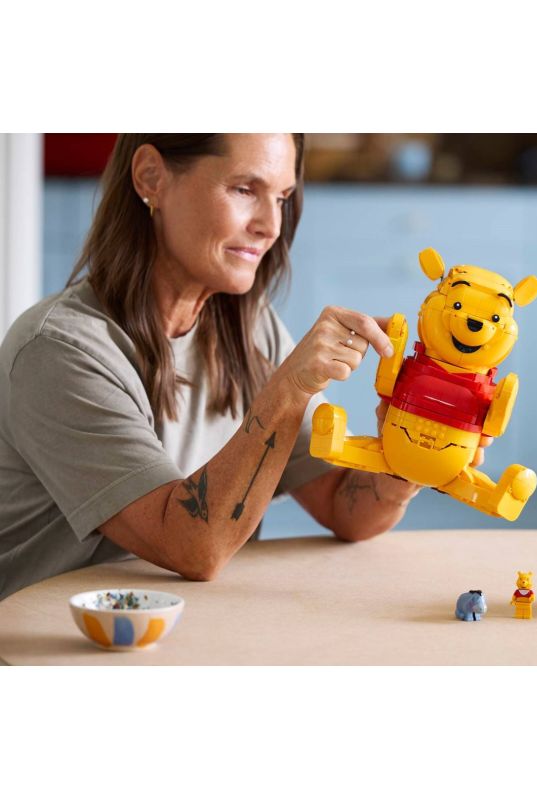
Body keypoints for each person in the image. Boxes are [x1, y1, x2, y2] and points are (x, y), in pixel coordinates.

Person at [0, 133, 490, 601]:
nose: (271, 226)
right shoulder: (59, 351)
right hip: (54, 642)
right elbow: (193, 547)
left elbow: (345, 508)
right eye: (243, 189)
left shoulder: (249, 328)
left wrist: (411, 456)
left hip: (188, 633)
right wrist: (288, 389)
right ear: (151, 177)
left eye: (282, 198)